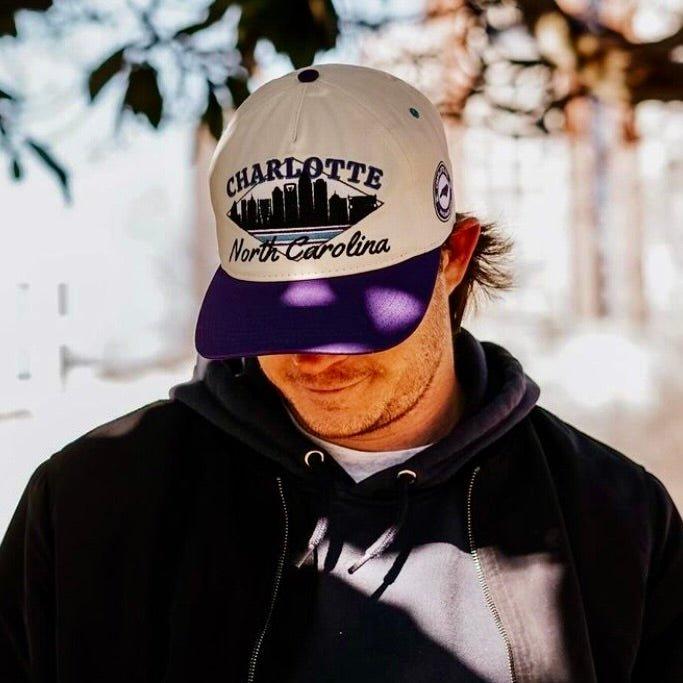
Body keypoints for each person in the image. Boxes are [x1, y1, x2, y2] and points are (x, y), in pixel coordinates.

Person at [0, 63, 681, 683]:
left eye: (354, 318)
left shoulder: (614, 518)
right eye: (275, 318)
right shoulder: (89, 505)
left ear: (453, 256)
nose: (314, 357)